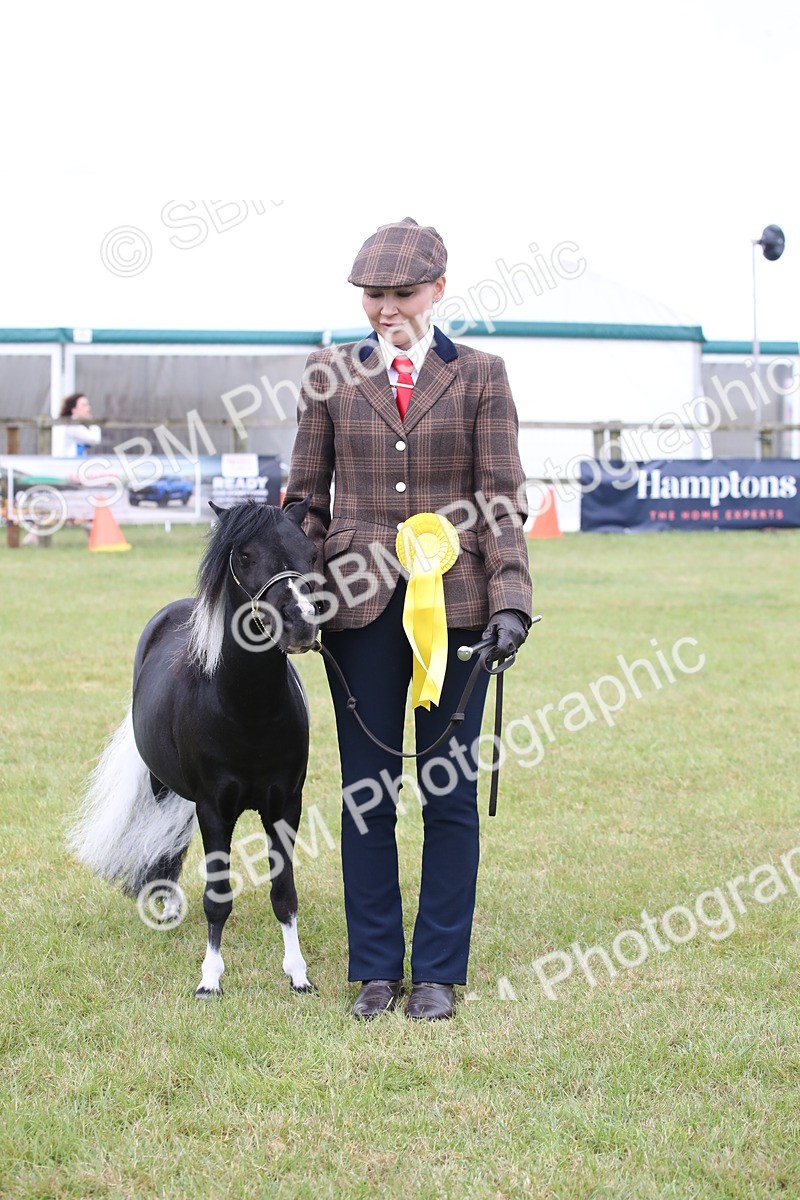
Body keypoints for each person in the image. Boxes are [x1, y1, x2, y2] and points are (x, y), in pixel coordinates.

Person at [283, 218, 533, 1021]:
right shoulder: (328, 373)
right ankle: (375, 970)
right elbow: (304, 503)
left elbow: (501, 501)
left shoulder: (483, 375)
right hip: (356, 611)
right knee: (367, 792)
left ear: (438, 289)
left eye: (402, 293)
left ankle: (437, 972)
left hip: (457, 610)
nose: (386, 308)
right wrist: (299, 592)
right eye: (373, 295)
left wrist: (512, 601)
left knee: (449, 792)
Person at [52, 393, 101, 457]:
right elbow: (95, 439)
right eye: (84, 405)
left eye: (87, 405)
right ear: (74, 410)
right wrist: (92, 422)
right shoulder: (72, 425)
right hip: (66, 461)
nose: (88, 408)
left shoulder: (70, 423)